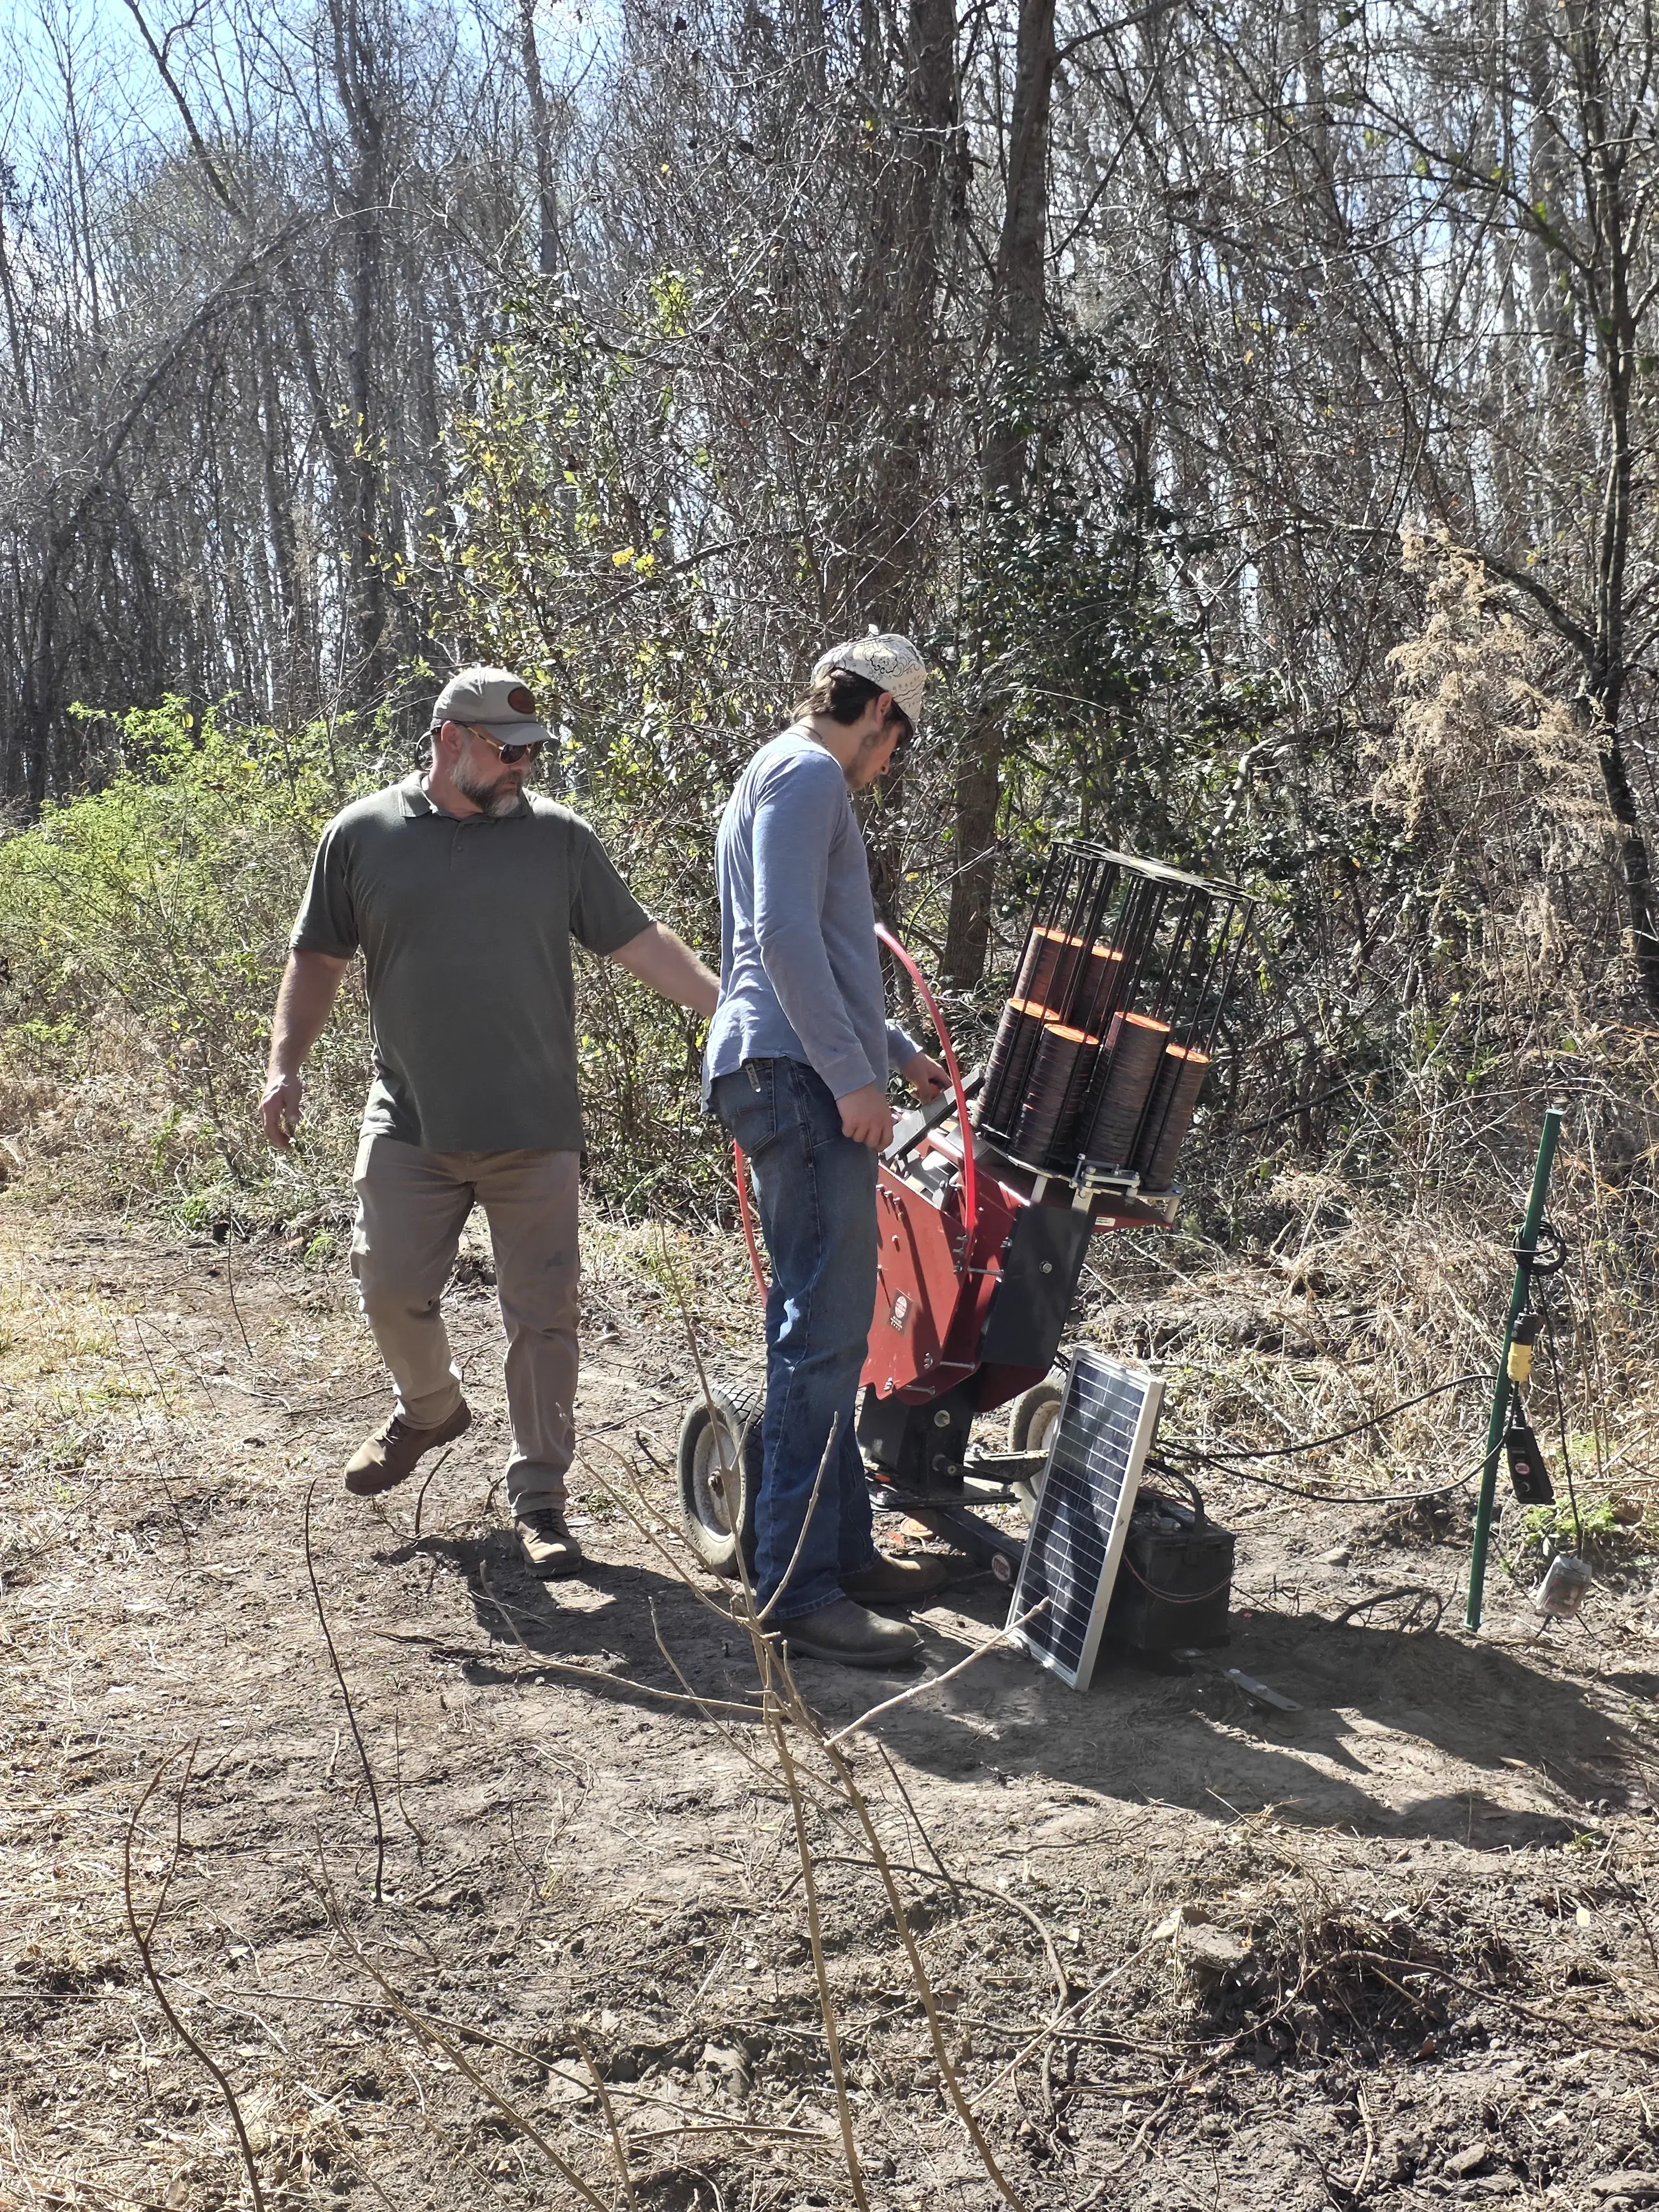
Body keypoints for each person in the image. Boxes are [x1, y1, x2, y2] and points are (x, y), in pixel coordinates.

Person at [260, 665, 718, 1578]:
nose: (523, 766)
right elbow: (317, 958)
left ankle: (541, 1500)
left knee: (543, 1318)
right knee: (389, 1288)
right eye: (506, 751)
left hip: (534, 1127)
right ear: (448, 739)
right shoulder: (362, 835)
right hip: (410, 1121)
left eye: (533, 752)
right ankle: (430, 1407)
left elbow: (638, 941)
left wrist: (732, 1012)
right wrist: (285, 1065)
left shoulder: (557, 840)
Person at [705, 633, 952, 1668]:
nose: (892, 761)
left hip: (787, 1065)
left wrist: (893, 1051)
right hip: (798, 1079)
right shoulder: (810, 772)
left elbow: (816, 953)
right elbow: (783, 942)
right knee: (824, 1331)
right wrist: (856, 1082)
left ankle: (844, 1552)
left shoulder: (777, 771)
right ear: (880, 714)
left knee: (825, 1326)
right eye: (899, 740)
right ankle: (799, 1589)